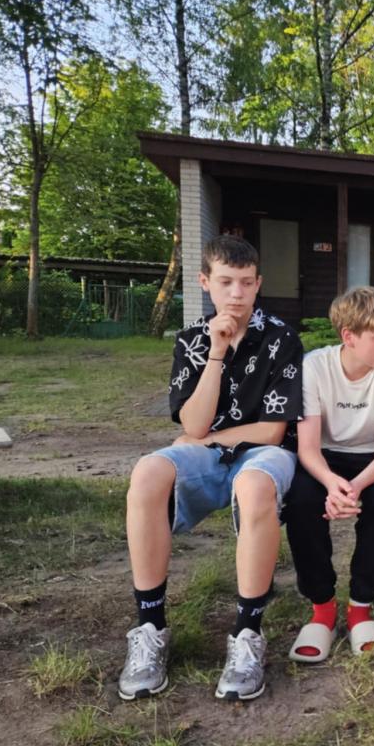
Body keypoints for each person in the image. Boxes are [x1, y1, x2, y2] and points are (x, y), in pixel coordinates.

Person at [119, 235, 303, 702]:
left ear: (258, 283)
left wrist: (205, 439)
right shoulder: (191, 340)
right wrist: (216, 352)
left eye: (246, 282)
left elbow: (272, 432)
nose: (236, 293)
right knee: (147, 473)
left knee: (255, 483)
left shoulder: (282, 338)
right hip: (208, 453)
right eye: (225, 282)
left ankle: (247, 634)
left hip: (261, 455)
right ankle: (150, 628)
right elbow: (193, 423)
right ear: (205, 282)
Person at [282, 287, 374, 663]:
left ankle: (360, 609)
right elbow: (307, 448)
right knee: (302, 502)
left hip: (373, 459)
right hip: (324, 457)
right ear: (348, 336)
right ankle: (322, 609)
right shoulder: (314, 367)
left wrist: (353, 488)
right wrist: (330, 484)